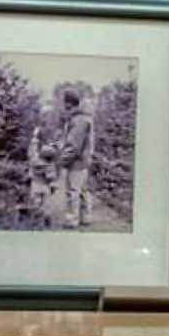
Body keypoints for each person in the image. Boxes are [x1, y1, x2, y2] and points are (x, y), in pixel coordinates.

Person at [37, 83, 98, 229]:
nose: (62, 105)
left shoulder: (79, 121)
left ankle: (72, 220)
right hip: (83, 160)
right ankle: (86, 216)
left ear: (69, 103)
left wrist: (61, 161)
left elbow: (73, 146)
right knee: (82, 189)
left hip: (77, 162)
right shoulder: (81, 118)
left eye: (64, 102)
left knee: (73, 190)